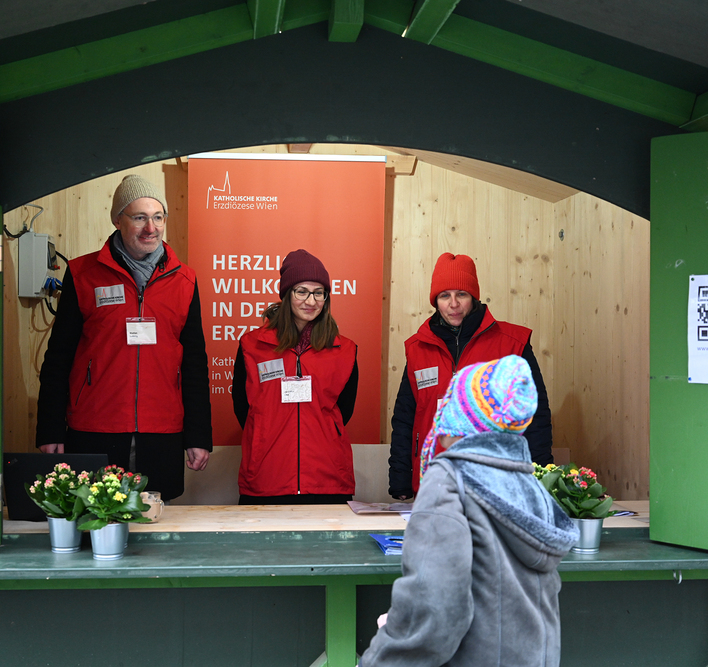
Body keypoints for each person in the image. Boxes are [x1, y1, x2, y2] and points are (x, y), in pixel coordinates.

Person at [360, 357, 578, 667]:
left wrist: (381, 659)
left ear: (459, 416)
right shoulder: (532, 485)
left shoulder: (448, 481)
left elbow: (433, 607)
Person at [36, 174, 212, 500]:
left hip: (162, 430)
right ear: (118, 220)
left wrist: (198, 435)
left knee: (155, 519)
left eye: (158, 217)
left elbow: (194, 363)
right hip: (94, 427)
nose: (151, 228)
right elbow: (59, 356)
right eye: (139, 217)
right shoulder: (83, 274)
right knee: (93, 516)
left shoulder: (185, 280)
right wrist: (50, 428)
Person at [389, 252, 553, 500]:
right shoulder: (417, 349)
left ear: (474, 297)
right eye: (445, 295)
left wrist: (540, 477)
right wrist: (400, 480)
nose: (453, 304)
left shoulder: (512, 344)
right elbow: (405, 418)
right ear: (436, 301)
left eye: (461, 294)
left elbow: (536, 416)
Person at [231, 249, 358, 504]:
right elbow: (242, 406)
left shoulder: (344, 350)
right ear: (287, 294)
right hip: (267, 478)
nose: (311, 301)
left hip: (327, 479)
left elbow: (344, 410)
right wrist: (267, 433)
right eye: (302, 291)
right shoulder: (252, 346)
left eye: (319, 292)